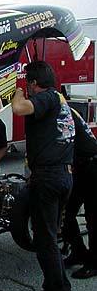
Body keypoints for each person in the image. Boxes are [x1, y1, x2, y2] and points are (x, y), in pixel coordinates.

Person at [11, 61, 75, 291]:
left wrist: (16, 90)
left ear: (34, 84)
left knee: (45, 242)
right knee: (48, 239)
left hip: (49, 178)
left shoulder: (48, 97)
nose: (26, 87)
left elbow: (19, 108)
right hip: (59, 175)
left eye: (28, 83)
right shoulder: (59, 100)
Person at [61, 108, 97, 279]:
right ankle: (79, 253)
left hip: (92, 167)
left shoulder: (63, 113)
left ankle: (94, 264)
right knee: (67, 214)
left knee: (92, 219)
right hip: (80, 168)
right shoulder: (65, 110)